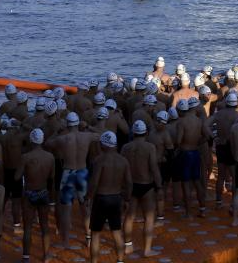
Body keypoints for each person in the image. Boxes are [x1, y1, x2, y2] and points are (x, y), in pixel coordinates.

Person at [46, 112, 98, 246]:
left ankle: (66, 241)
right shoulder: (87, 136)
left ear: (67, 125)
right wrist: (88, 127)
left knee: (66, 209)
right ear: (78, 123)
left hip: (68, 173)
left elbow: (47, 143)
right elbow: (102, 135)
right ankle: (88, 238)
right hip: (82, 172)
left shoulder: (63, 138)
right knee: (84, 207)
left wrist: (57, 131)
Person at [87, 131, 131, 263]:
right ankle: (120, 261)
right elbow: (129, 183)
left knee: (95, 234)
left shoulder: (99, 160)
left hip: (101, 198)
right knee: (117, 232)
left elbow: (94, 183)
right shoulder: (123, 161)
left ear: (104, 144)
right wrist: (127, 199)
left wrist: (89, 197)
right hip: (116, 198)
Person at [120, 120, 161, 256]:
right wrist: (159, 186)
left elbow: (122, 167)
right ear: (146, 133)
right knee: (148, 217)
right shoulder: (150, 147)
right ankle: (147, 249)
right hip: (146, 185)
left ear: (133, 133)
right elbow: (154, 168)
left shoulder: (125, 148)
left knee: (129, 216)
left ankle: (128, 246)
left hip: (131, 185)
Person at [17, 129, 54, 262]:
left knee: (28, 227)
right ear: (42, 140)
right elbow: (52, 177)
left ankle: (26, 257)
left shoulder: (25, 157)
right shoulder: (50, 157)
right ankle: (46, 255)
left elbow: (17, 177)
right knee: (44, 225)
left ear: (31, 140)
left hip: (29, 193)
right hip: (43, 192)